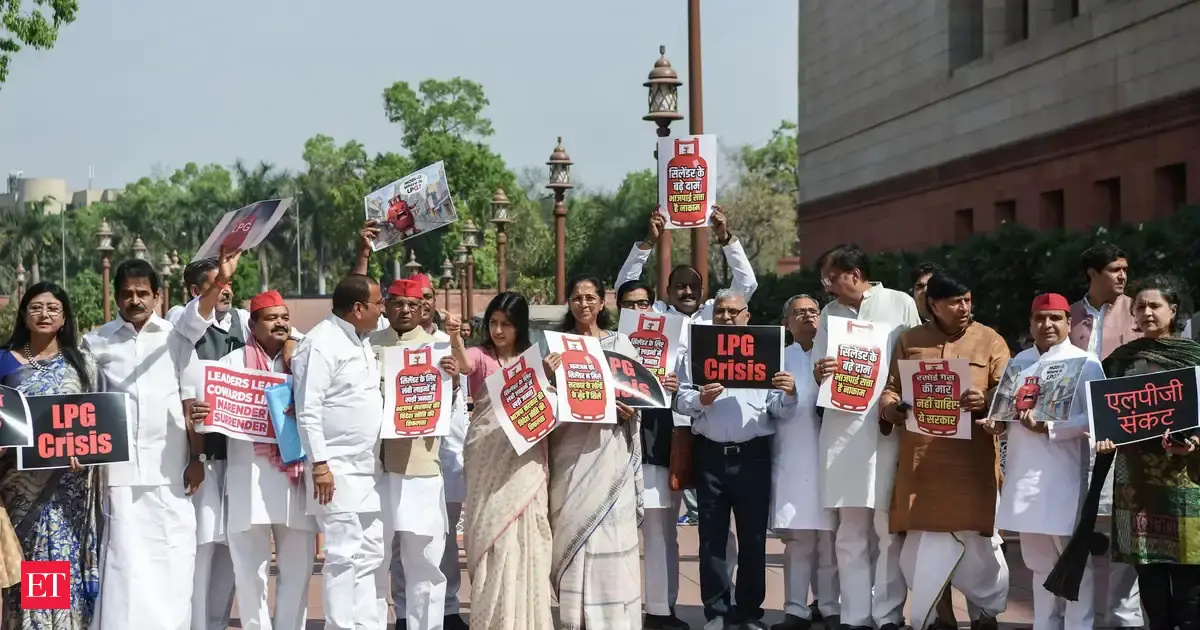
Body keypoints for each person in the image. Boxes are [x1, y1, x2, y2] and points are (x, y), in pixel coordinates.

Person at [878, 271, 1010, 630]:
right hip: (923, 466)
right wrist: (893, 409)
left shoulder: (990, 341)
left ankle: (985, 614)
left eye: (968, 299)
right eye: (954, 301)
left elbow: (1008, 394)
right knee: (926, 547)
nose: (964, 307)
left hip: (973, 467)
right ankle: (940, 616)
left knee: (980, 545)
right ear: (933, 305)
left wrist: (984, 400)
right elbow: (890, 390)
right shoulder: (910, 341)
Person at [616, 209, 748, 559]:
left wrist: (726, 238)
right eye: (679, 286)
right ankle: (665, 607)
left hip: (713, 427)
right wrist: (647, 243)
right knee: (663, 524)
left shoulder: (716, 314)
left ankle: (725, 600)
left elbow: (746, 285)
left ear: (703, 290)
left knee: (716, 522)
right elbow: (625, 289)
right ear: (668, 290)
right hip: (667, 428)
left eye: (693, 286)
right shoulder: (655, 315)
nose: (686, 290)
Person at [83, 258, 203, 630]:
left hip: (172, 468)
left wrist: (197, 456)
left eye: (142, 293)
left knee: (173, 554)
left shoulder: (177, 338)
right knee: (123, 557)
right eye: (127, 293)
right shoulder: (96, 342)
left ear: (157, 295)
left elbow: (191, 402)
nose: (135, 300)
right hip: (117, 470)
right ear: (117, 297)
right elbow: (83, 405)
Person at [811, 244, 919, 630]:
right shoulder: (829, 313)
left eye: (830, 278)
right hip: (842, 430)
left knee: (887, 528)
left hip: (887, 429)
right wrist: (821, 370)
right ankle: (855, 616)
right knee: (851, 528)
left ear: (853, 275)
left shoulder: (900, 303)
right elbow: (816, 371)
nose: (827, 286)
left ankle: (887, 615)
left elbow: (914, 358)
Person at [676, 289, 797, 630]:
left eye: (733, 312)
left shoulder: (768, 353)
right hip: (710, 456)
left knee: (754, 538)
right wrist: (699, 399)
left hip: (752, 456)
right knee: (711, 538)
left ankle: (748, 613)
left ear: (748, 315)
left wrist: (789, 394)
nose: (726, 318)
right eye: (720, 312)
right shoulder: (696, 352)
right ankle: (716, 611)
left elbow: (777, 408)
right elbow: (680, 401)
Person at [1085, 275, 1200, 630]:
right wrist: (1105, 439)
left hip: (1186, 479)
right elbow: (1110, 416)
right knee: (1147, 568)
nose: (1147, 312)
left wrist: (1194, 442)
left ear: (1173, 310)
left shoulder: (1195, 358)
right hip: (1136, 483)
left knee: (1189, 568)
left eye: (1155, 305)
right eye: (1140, 306)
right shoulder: (1119, 361)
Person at [197, 289, 315, 630]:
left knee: (298, 570)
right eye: (271, 318)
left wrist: (294, 349)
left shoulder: (304, 358)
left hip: (295, 479)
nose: (280, 323)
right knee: (250, 574)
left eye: (284, 318)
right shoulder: (231, 366)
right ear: (252, 324)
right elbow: (210, 415)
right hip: (248, 480)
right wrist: (202, 414)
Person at [986, 293, 1103, 630]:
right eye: (1040, 318)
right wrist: (997, 424)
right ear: (1031, 323)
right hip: (1023, 476)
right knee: (1038, 562)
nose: (1047, 325)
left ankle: (1079, 626)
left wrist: (1051, 427)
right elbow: (1006, 416)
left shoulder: (1087, 363)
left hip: (1064, 475)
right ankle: (1045, 624)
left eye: (1055, 318)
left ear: (1069, 323)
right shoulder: (1018, 362)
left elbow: (1096, 420)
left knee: (1073, 558)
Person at [448, 293, 554, 630]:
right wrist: (454, 338)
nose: (497, 330)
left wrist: (546, 377)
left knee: (527, 535)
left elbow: (546, 407)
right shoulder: (482, 356)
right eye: (492, 323)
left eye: (505, 324)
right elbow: (464, 364)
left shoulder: (533, 360)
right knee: (491, 532)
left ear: (518, 326)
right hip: (486, 457)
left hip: (524, 463)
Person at [544, 275, 643, 629]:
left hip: (611, 454)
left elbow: (636, 394)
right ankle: (575, 619)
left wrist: (628, 408)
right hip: (571, 456)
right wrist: (548, 376)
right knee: (574, 534)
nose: (583, 304)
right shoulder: (557, 348)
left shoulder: (621, 346)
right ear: (569, 303)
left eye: (590, 298)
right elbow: (548, 402)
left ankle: (615, 619)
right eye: (576, 298)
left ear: (603, 303)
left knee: (611, 537)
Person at [0, 282, 101, 628]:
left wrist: (86, 454)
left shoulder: (82, 363)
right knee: (17, 568)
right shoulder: (3, 360)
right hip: (13, 487)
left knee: (52, 562)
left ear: (64, 317)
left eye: (53, 308)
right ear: (24, 314)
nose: (44, 314)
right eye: (36, 307)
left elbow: (97, 421)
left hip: (64, 488)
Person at [293, 274, 388, 630]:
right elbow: (308, 409)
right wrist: (320, 465)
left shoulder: (362, 339)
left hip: (367, 469)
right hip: (335, 468)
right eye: (378, 304)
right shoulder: (321, 343)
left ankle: (367, 625)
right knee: (342, 554)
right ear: (358, 308)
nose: (383, 310)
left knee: (370, 554)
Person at [369, 279, 457, 630]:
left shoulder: (440, 348)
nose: (404, 310)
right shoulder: (368, 345)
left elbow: (448, 404)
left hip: (421, 466)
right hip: (374, 468)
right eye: (397, 303)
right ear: (385, 307)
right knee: (374, 558)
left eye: (412, 304)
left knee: (423, 558)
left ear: (424, 309)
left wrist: (454, 376)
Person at [1065, 243, 1143, 630]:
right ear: (1091, 274)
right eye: (1113, 269)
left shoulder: (1138, 312)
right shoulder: (1067, 316)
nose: (1122, 276)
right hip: (1074, 440)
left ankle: (1122, 618)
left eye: (1124, 269)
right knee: (1077, 529)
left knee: (1122, 529)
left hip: (1126, 439)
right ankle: (1080, 616)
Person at [394, 272, 470, 630]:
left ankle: (448, 609)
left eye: (423, 298)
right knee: (398, 544)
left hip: (444, 454)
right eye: (408, 299)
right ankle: (404, 612)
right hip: (395, 457)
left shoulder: (445, 344)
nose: (417, 304)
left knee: (441, 540)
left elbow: (458, 397)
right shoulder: (383, 342)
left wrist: (452, 375)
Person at [616, 280, 687, 630]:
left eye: (643, 303)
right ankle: (620, 608)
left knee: (658, 531)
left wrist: (674, 387)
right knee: (618, 534)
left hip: (656, 444)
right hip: (614, 449)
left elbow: (689, 394)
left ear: (653, 305)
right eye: (629, 305)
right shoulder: (608, 344)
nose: (637, 311)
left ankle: (660, 608)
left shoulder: (671, 342)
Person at [771, 294, 839, 630]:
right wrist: (789, 394)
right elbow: (769, 407)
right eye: (799, 312)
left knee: (830, 541)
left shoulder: (836, 356)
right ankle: (796, 609)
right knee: (799, 541)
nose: (808, 316)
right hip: (794, 458)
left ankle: (830, 606)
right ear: (787, 323)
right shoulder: (778, 359)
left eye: (814, 310)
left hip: (832, 458)